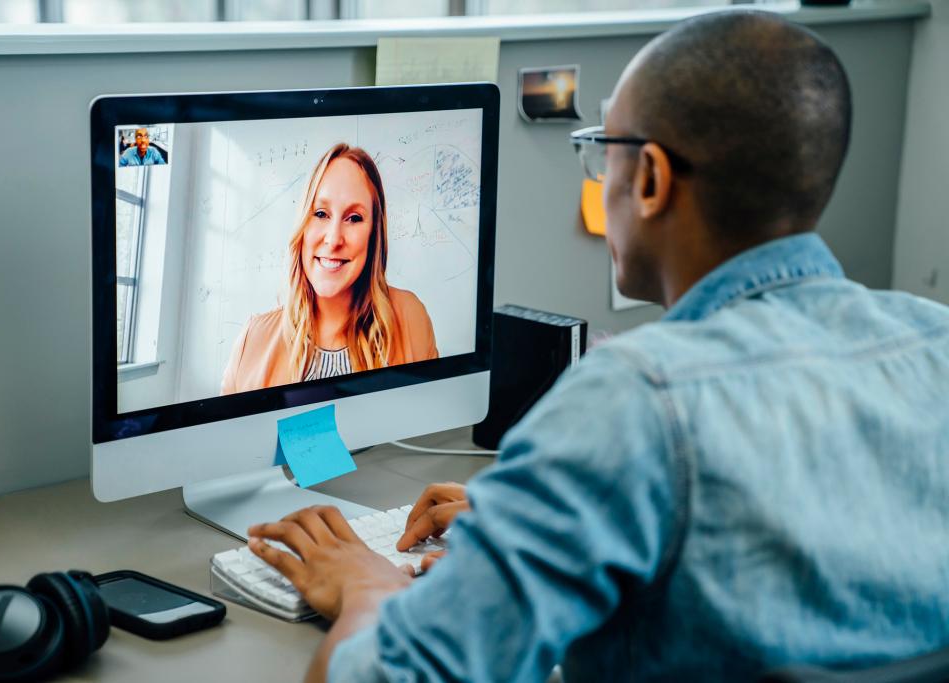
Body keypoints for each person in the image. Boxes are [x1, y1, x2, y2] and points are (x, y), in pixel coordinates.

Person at [247, 10, 949, 682]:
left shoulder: (631, 403)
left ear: (648, 179)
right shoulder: (935, 345)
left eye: (600, 152)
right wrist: (540, 523)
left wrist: (370, 589)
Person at [221, 143, 437, 393]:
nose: (334, 239)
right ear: (303, 223)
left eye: (354, 218)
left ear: (373, 234)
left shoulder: (410, 317)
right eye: (321, 213)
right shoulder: (252, 340)